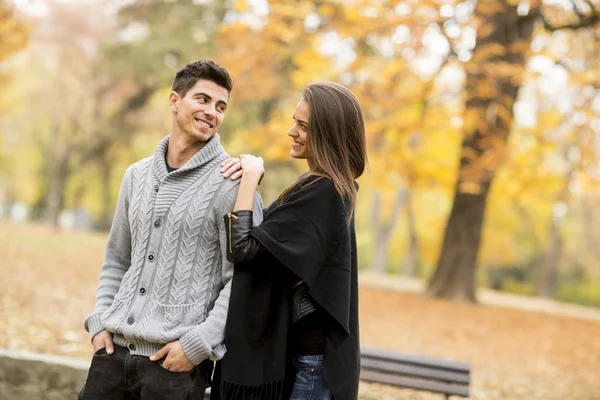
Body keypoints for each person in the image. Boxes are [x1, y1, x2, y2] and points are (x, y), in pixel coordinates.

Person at [78, 60, 262, 400]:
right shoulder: (136, 175)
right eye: (203, 100)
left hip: (173, 367)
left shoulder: (234, 184)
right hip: (110, 355)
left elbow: (243, 278)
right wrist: (101, 320)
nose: (212, 112)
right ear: (174, 100)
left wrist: (198, 344)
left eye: (221, 106)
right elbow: (117, 258)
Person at [215, 82, 367, 400]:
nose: (291, 131)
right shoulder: (323, 187)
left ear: (328, 135)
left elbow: (242, 248)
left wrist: (249, 177)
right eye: (294, 121)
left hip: (313, 369)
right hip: (307, 362)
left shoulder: (324, 193)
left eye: (303, 126)